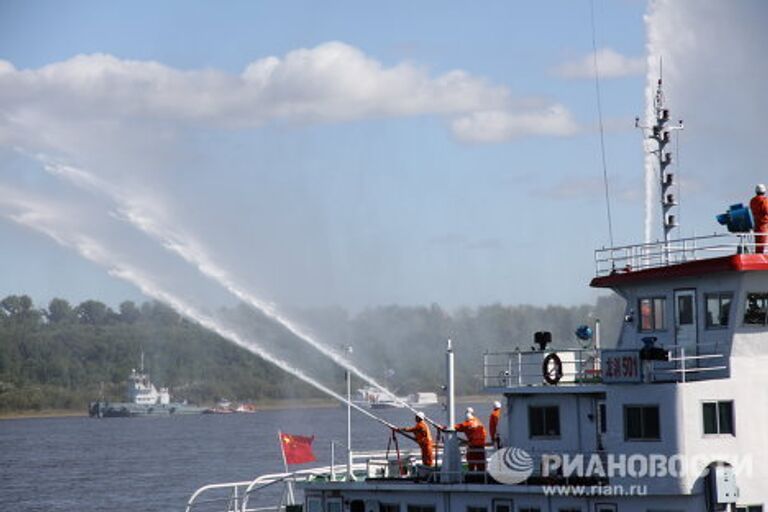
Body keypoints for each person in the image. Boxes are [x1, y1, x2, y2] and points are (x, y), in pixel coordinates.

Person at [750, 184, 768, 253]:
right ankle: (760, 255)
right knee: (762, 242)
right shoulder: (764, 200)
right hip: (763, 224)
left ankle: (758, 253)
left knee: (757, 242)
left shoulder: (752, 200)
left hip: (755, 224)